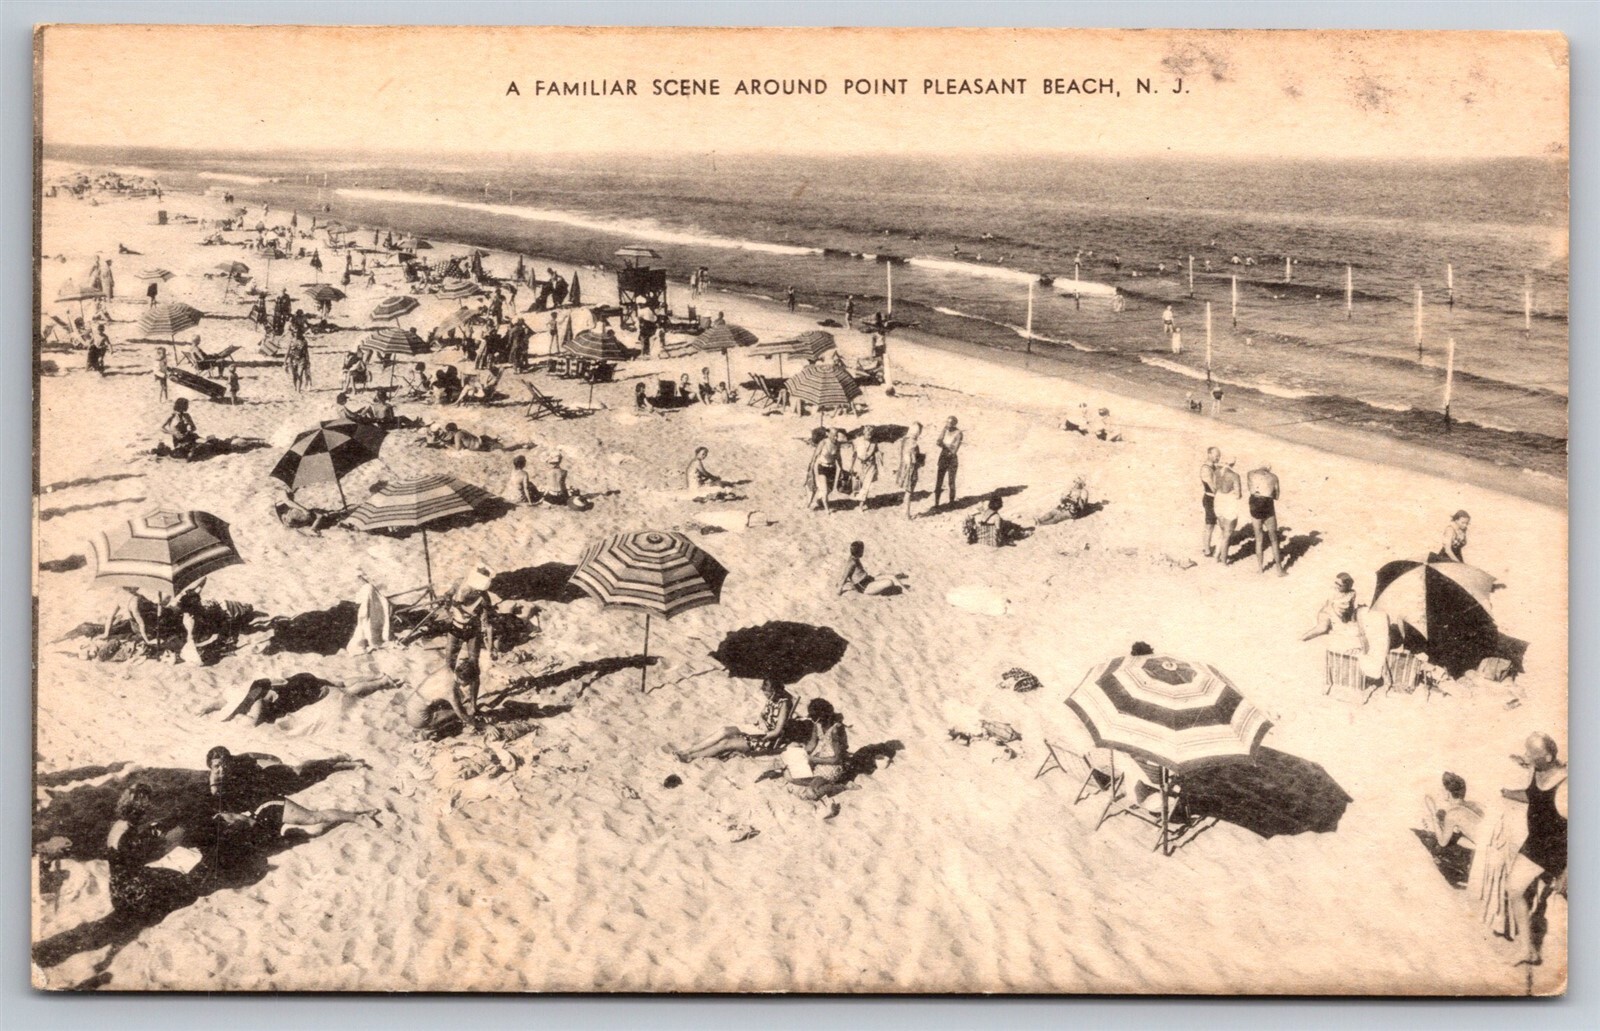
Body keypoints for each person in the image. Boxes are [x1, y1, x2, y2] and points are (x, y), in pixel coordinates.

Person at [206, 747, 379, 839]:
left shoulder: (240, 761)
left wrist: (271, 759)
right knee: (307, 828)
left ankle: (357, 816)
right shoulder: (215, 784)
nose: (222, 769)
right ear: (211, 767)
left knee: (299, 773)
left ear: (230, 761)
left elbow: (254, 756)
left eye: (224, 764)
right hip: (262, 802)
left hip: (269, 785)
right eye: (216, 766)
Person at [1500, 733, 1567, 965]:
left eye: (1531, 753)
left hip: (1561, 849)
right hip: (1536, 845)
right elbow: (1534, 796)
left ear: (1547, 757)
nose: (1526, 756)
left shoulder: (1565, 784)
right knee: (1514, 888)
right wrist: (1508, 793)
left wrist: (1566, 872)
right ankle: (1528, 950)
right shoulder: (1537, 769)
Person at [674, 677, 804, 762]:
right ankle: (689, 750)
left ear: (775, 691)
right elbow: (761, 715)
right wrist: (762, 722)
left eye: (768, 693)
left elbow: (777, 731)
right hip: (756, 729)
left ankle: (691, 757)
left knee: (725, 743)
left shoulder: (783, 704)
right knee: (724, 730)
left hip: (764, 740)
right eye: (765, 692)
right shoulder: (771, 699)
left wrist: (763, 735)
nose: (766, 695)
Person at [106, 783, 184, 919]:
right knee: (178, 881)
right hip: (130, 893)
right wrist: (157, 841)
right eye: (142, 812)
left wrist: (147, 834)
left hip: (117, 890)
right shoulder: (126, 832)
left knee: (170, 876)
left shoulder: (119, 825)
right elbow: (139, 858)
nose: (144, 816)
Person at [223, 672, 399, 726]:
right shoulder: (257, 685)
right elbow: (279, 680)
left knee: (345, 691)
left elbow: (252, 722)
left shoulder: (257, 701)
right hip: (299, 679)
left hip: (301, 692)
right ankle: (376, 676)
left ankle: (382, 682)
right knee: (339, 682)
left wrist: (239, 716)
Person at [785, 698, 852, 813]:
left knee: (811, 793)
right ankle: (817, 783)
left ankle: (842, 786)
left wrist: (814, 759)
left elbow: (837, 759)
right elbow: (812, 743)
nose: (813, 720)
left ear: (822, 716)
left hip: (831, 766)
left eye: (814, 717)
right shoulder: (818, 724)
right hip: (818, 758)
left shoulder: (835, 730)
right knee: (788, 775)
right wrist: (801, 754)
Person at [404, 661, 481, 738]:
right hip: (419, 718)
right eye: (469, 682)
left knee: (454, 704)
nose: (469, 684)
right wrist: (484, 726)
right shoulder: (450, 691)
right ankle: (428, 730)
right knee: (462, 711)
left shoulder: (447, 669)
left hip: (411, 704)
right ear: (464, 680)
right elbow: (462, 715)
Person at [1421, 771, 1484, 849]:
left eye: (1442, 790)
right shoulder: (1475, 804)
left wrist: (1433, 813)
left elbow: (1442, 842)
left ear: (1448, 793)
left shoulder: (1452, 814)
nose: (1440, 792)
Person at [1246, 463, 1287, 576]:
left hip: (1254, 503)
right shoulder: (1273, 477)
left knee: (1259, 539)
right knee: (1273, 539)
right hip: (1267, 505)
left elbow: (1249, 488)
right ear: (1269, 468)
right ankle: (1279, 569)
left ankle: (1260, 569)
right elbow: (1277, 496)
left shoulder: (1250, 474)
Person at [1301, 573, 1362, 641]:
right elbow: (1330, 608)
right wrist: (1337, 622)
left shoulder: (1352, 593)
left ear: (1346, 586)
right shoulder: (1333, 591)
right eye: (1336, 583)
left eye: (1339, 585)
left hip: (1340, 616)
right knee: (1322, 628)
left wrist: (1351, 619)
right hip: (1327, 613)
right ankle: (1302, 638)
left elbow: (1351, 607)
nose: (1336, 586)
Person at [1212, 458, 1244, 564]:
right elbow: (1238, 495)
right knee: (1227, 534)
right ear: (1233, 463)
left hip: (1218, 500)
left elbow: (1214, 487)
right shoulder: (1234, 475)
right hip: (1229, 503)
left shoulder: (1217, 472)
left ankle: (1216, 555)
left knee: (1222, 530)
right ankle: (1224, 561)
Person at [808, 427, 844, 513]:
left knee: (829, 490)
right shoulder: (823, 442)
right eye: (834, 435)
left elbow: (839, 458)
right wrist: (811, 467)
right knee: (824, 490)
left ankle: (816, 501)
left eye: (837, 435)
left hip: (832, 468)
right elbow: (815, 455)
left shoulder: (838, 444)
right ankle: (827, 510)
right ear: (828, 434)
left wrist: (841, 469)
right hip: (822, 467)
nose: (836, 437)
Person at [272, 487, 337, 533]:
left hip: (288, 521)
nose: (296, 489)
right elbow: (288, 502)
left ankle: (314, 525)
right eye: (296, 487)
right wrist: (303, 509)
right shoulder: (282, 492)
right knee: (319, 516)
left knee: (314, 513)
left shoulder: (286, 494)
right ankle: (313, 529)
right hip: (289, 518)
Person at [933, 416, 963, 508]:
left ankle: (951, 502)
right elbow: (938, 442)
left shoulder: (958, 433)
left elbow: (954, 450)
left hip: (952, 459)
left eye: (950, 423)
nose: (948, 425)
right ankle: (936, 503)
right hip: (943, 457)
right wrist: (943, 432)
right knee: (939, 481)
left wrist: (944, 445)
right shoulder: (945, 430)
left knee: (951, 481)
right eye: (947, 423)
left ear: (954, 424)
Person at [899, 421, 925, 520]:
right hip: (911, 469)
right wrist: (920, 460)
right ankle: (907, 514)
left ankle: (905, 512)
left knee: (907, 492)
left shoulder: (905, 440)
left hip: (904, 468)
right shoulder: (914, 444)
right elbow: (913, 459)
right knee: (909, 492)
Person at [851, 425, 882, 502]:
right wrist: (851, 466)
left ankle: (861, 505)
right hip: (859, 464)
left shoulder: (874, 442)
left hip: (871, 465)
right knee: (858, 484)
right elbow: (854, 454)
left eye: (871, 433)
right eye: (868, 433)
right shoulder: (857, 441)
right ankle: (860, 499)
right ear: (864, 432)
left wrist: (879, 456)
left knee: (867, 485)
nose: (870, 435)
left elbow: (876, 452)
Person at [1200, 447, 1221, 557]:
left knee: (1214, 524)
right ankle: (1207, 550)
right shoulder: (1206, 469)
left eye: (1219, 455)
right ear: (1209, 454)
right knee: (1210, 525)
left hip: (1215, 498)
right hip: (1210, 498)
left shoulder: (1214, 466)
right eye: (1216, 455)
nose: (1218, 458)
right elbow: (1212, 487)